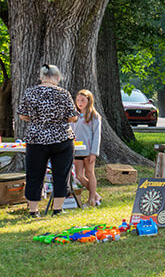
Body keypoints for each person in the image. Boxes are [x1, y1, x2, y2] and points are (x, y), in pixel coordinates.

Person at [17, 64, 78, 217]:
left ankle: (33, 210)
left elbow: (22, 115)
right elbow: (73, 117)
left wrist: (37, 119)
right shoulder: (63, 93)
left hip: (36, 138)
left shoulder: (30, 92)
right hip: (61, 138)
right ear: (57, 77)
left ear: (41, 77)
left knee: (34, 174)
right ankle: (57, 209)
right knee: (61, 175)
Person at [71, 89, 102, 206]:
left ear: (89, 101)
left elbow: (97, 135)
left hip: (88, 151)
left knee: (90, 173)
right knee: (79, 175)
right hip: (77, 150)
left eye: (83, 100)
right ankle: (96, 195)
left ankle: (91, 200)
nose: (80, 103)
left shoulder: (94, 116)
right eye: (78, 100)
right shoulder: (74, 116)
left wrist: (94, 152)